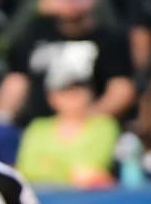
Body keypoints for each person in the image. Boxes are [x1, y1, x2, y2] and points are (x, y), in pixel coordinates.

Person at [0, 0, 133, 128]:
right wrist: (0, 121)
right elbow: (16, 80)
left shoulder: (110, 39)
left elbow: (121, 90)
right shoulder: (34, 33)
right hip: (37, 131)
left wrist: (82, 124)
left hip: (90, 128)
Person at [15, 53, 119, 189]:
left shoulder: (104, 126)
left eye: (79, 87)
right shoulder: (37, 127)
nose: (72, 95)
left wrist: (48, 165)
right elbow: (26, 169)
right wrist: (72, 172)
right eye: (64, 89)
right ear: (51, 96)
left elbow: (92, 170)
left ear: (91, 92)